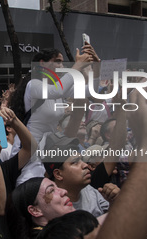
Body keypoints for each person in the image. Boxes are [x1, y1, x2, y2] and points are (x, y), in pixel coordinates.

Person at [9, 46, 100, 186]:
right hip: (29, 152)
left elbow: (91, 91)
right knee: (32, 189)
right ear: (42, 63)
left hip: (49, 150)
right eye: (57, 61)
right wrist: (77, 66)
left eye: (62, 62)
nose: (61, 65)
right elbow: (55, 91)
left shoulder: (59, 89)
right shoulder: (34, 84)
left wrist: (97, 65)